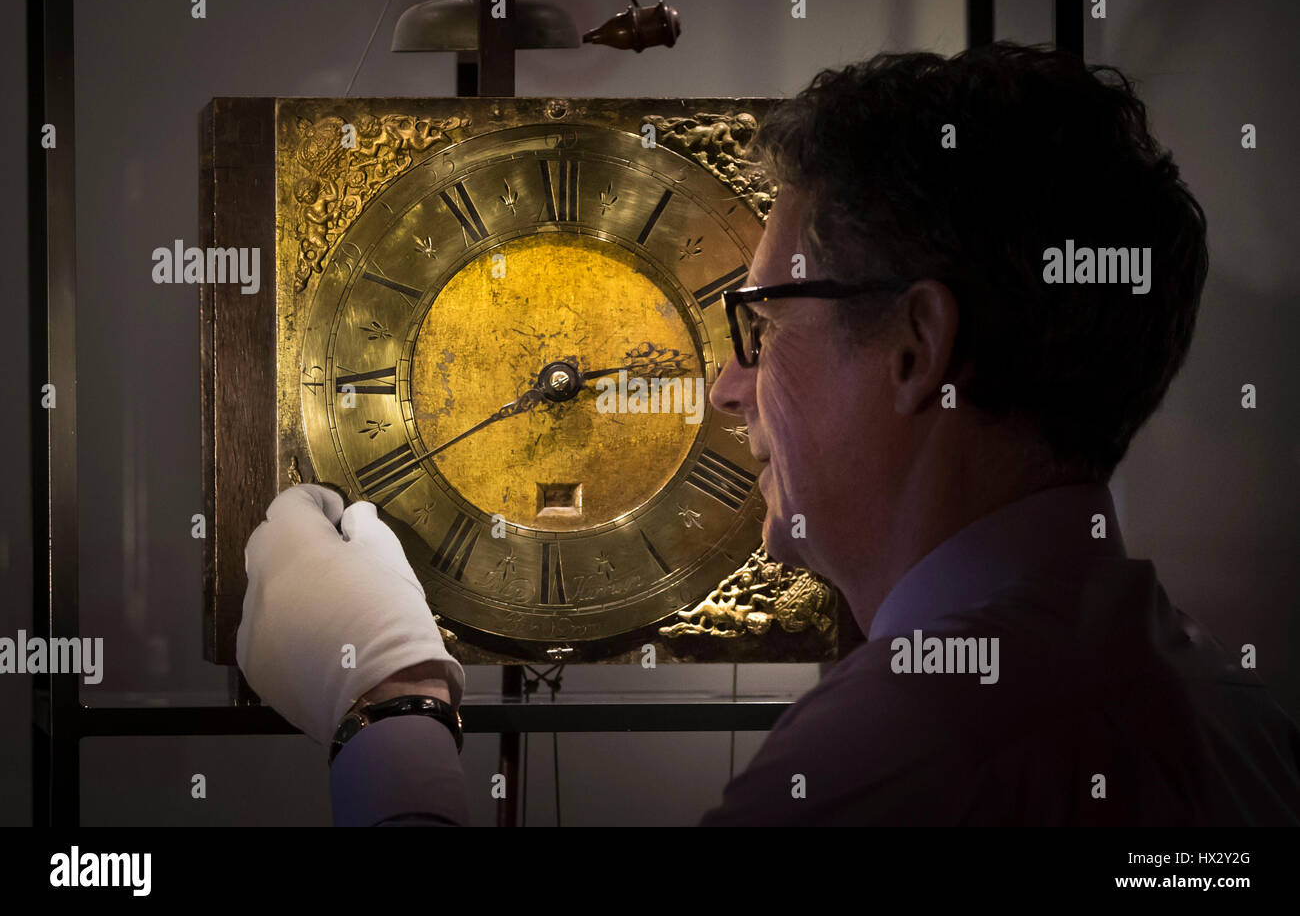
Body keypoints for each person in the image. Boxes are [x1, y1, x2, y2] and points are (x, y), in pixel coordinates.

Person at [236, 42, 1300, 826]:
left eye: (761, 323)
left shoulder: (910, 753)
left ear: (914, 349)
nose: (724, 391)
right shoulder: (1236, 720)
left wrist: (389, 708)